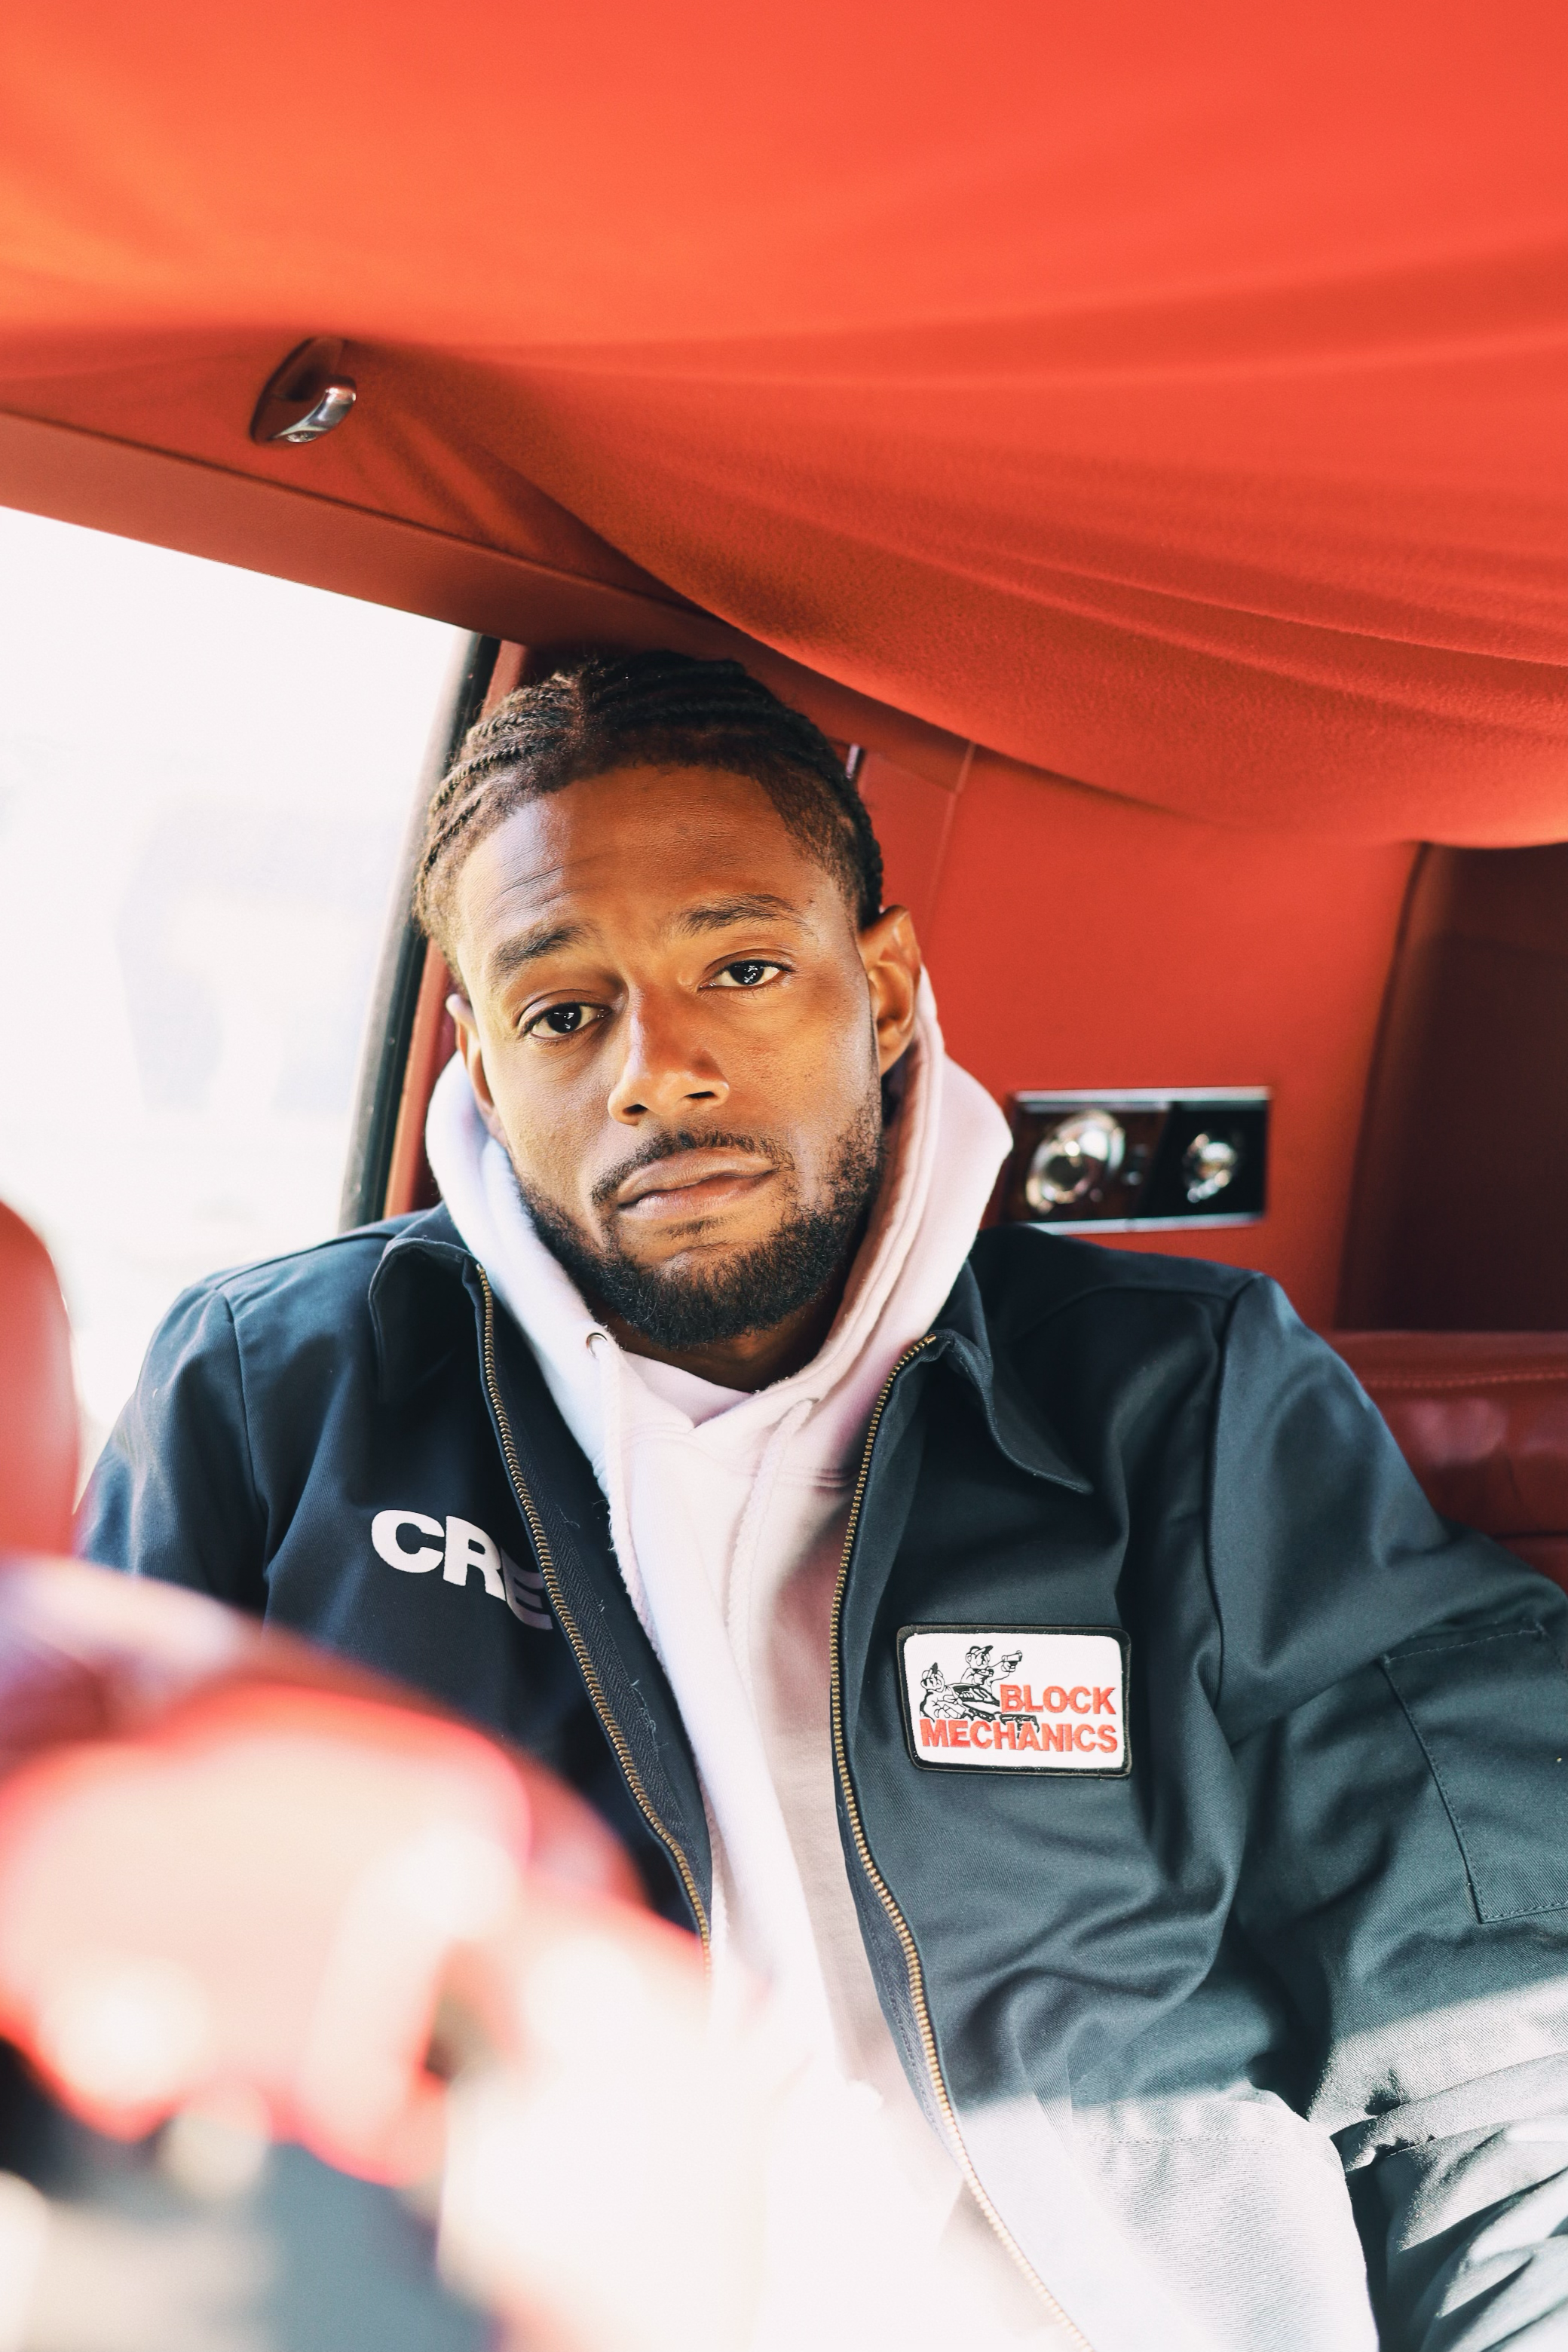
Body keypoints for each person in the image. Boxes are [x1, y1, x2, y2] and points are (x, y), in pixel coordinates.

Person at [80, 651, 1568, 2350]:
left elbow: (1480, 2025)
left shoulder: (1178, 1395)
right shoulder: (277, 1394)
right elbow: (111, 1965)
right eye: (564, 1011)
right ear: (478, 1061)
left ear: (883, 988)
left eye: (742, 966)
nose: (658, 1071)